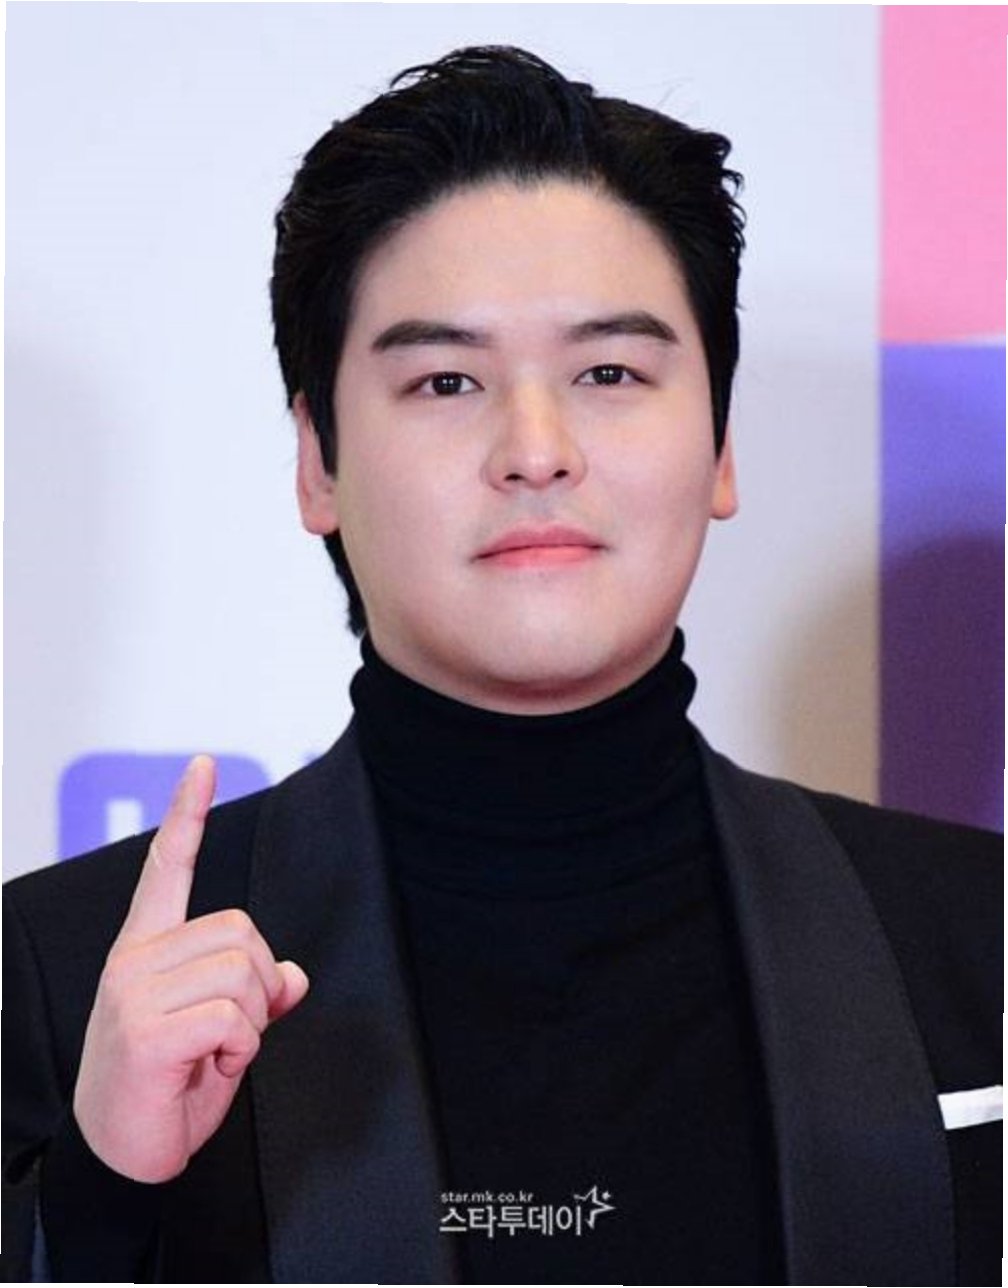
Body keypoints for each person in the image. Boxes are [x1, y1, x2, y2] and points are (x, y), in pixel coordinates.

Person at [2, 45, 1000, 1286]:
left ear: (721, 446)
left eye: (608, 372)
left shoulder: (975, 938)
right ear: (318, 462)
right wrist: (101, 1196)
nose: (536, 448)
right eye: (447, 379)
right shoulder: (64, 975)